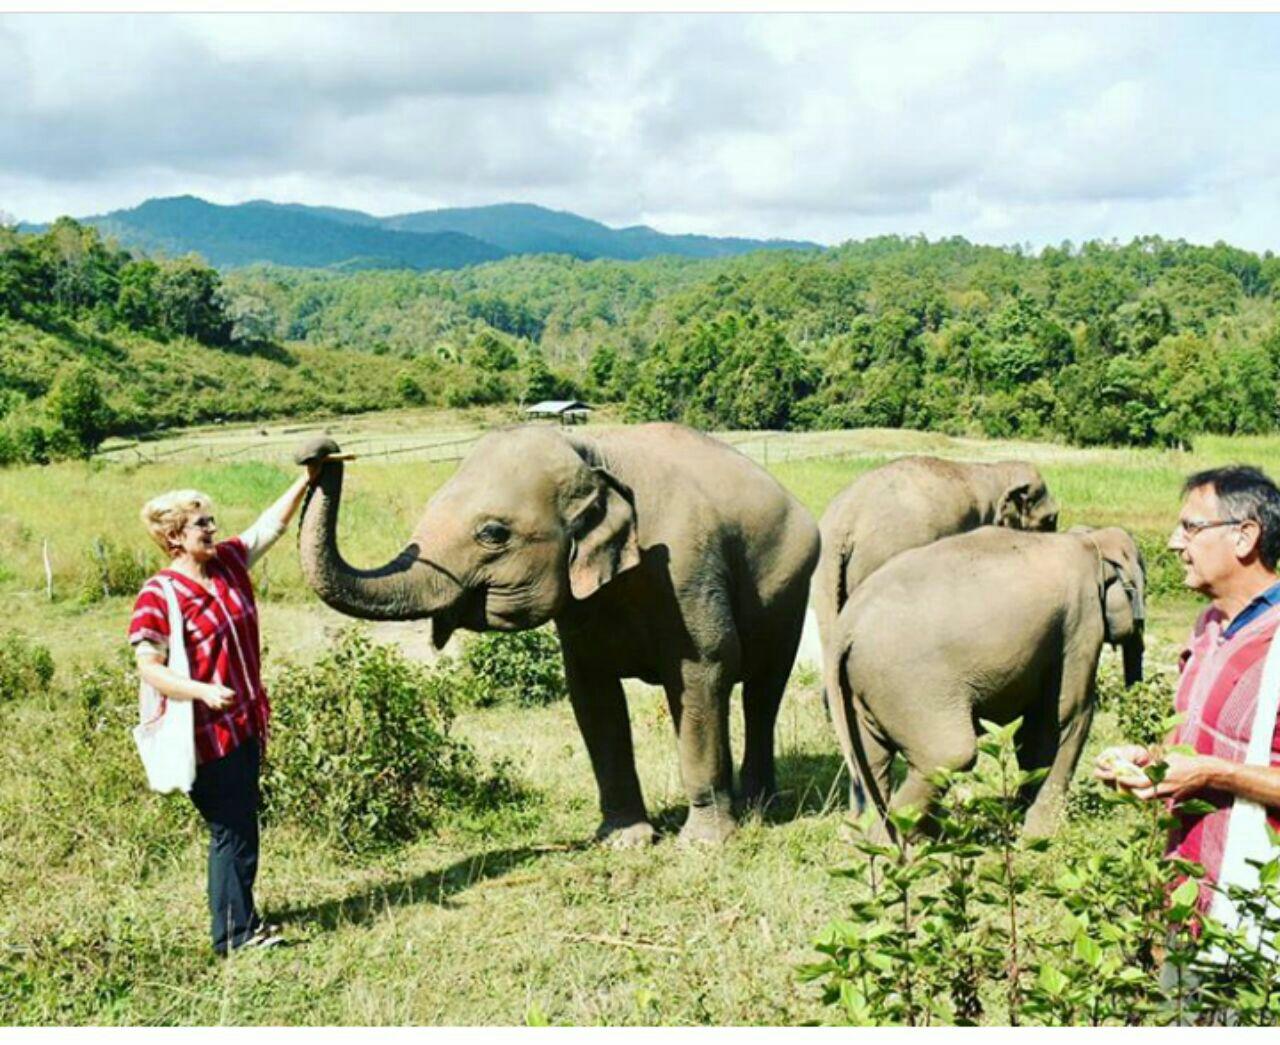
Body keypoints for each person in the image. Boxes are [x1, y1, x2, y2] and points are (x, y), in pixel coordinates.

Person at [1096, 466, 1280, 984]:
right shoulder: (1209, 627)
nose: (1176, 542)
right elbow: (1201, 743)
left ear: (1244, 536)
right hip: (1190, 896)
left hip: (1259, 916)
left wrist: (1209, 775)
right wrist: (1151, 762)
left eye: (1191, 528)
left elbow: (1215, 765)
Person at [129, 464, 316, 955]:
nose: (213, 530)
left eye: (211, 521)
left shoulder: (228, 564)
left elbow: (266, 527)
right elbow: (149, 666)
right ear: (174, 537)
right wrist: (200, 690)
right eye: (202, 524)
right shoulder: (159, 595)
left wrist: (306, 479)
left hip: (246, 723)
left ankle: (240, 918)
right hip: (205, 731)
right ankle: (235, 935)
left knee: (240, 822)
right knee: (231, 829)